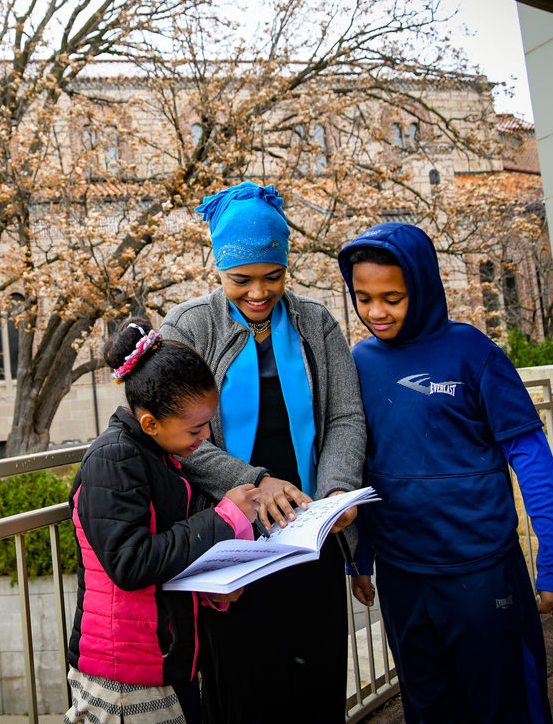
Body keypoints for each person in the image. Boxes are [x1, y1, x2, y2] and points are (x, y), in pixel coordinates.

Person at [337, 222, 553, 724]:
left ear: (421, 287)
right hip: (404, 578)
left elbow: (532, 461)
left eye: (392, 298)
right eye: (363, 297)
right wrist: (360, 559)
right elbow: (357, 464)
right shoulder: (357, 362)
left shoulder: (473, 353)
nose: (375, 312)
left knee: (504, 706)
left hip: (482, 572)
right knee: (428, 709)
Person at [160, 181, 367, 723]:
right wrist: (254, 481)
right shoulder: (189, 325)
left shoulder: (316, 322)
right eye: (240, 280)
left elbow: (345, 416)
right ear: (217, 270)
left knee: (316, 684)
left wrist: (337, 489)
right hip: (232, 548)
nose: (258, 293)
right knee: (244, 692)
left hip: (309, 541)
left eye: (272, 277)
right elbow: (175, 435)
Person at [65, 317, 259, 724]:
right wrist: (224, 518)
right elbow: (130, 563)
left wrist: (211, 591)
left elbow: (169, 549)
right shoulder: (113, 458)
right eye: (196, 427)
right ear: (150, 423)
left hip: (162, 658)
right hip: (126, 672)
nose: (206, 435)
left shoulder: (157, 453)